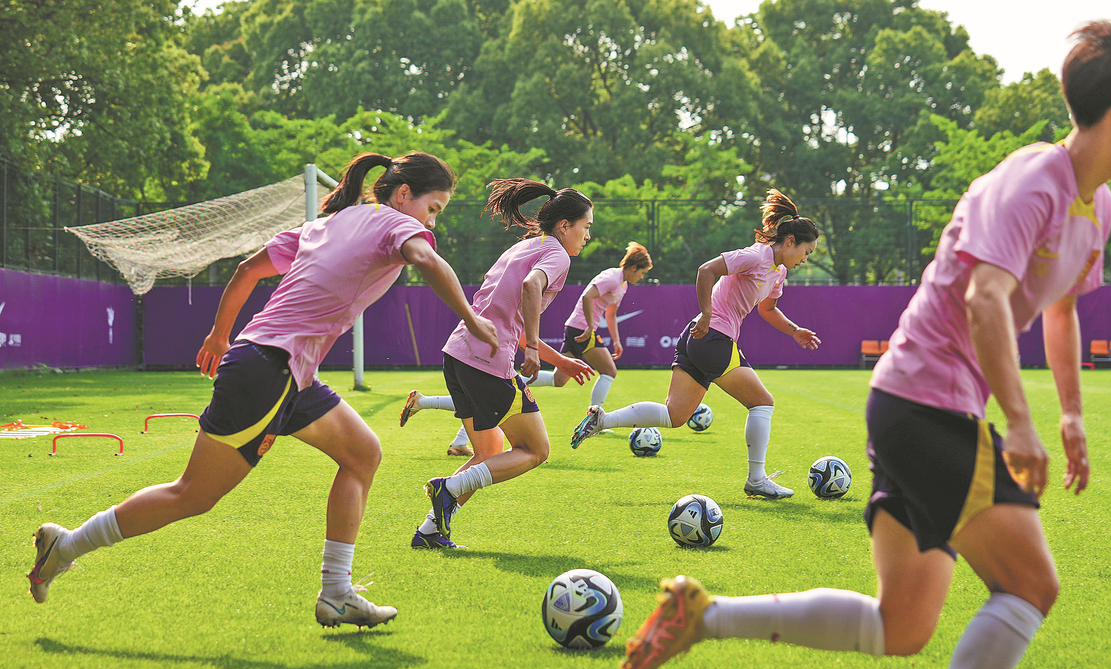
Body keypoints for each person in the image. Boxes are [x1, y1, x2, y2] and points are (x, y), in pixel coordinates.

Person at [615, 18, 1111, 669]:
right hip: (928, 401)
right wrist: (1020, 427)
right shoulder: (1031, 181)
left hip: (915, 405)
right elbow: (985, 300)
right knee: (1029, 584)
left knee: (903, 623)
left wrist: (1068, 417)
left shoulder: (1096, 212)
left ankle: (703, 617)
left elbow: (1058, 311)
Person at [26, 151, 498, 628]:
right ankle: (66, 546)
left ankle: (337, 593)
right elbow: (425, 259)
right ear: (403, 194)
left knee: (362, 454)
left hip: (282, 369)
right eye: (432, 208)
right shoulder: (395, 224)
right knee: (192, 495)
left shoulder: (329, 224)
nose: (431, 222)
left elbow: (247, 270)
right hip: (270, 370)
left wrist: (220, 335)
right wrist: (472, 318)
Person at [570, 191, 820, 499]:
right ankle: (756, 478)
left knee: (674, 415)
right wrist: (707, 313)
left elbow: (768, 309)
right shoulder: (756, 257)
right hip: (713, 337)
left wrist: (795, 331)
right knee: (762, 403)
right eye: (806, 252)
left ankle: (603, 420)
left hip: (699, 338)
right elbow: (706, 270)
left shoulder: (778, 273)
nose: (805, 259)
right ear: (791, 241)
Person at [412, 178, 595, 549]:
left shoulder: (526, 246)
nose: (588, 235)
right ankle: (448, 489)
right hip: (486, 360)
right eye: (586, 226)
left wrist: (558, 359)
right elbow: (531, 288)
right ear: (564, 226)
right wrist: (532, 351)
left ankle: (429, 532)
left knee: (487, 453)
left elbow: (510, 319)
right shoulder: (556, 254)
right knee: (535, 450)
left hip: (458, 353)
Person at [400, 241, 653, 452]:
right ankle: (596, 418)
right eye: (641, 273)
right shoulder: (603, 274)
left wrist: (607, 343)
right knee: (533, 447)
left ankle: (434, 413)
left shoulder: (621, 284)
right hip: (571, 333)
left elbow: (609, 314)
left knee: (549, 383)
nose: (641, 278)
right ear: (632, 267)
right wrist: (580, 330)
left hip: (473, 355)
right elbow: (578, 294)